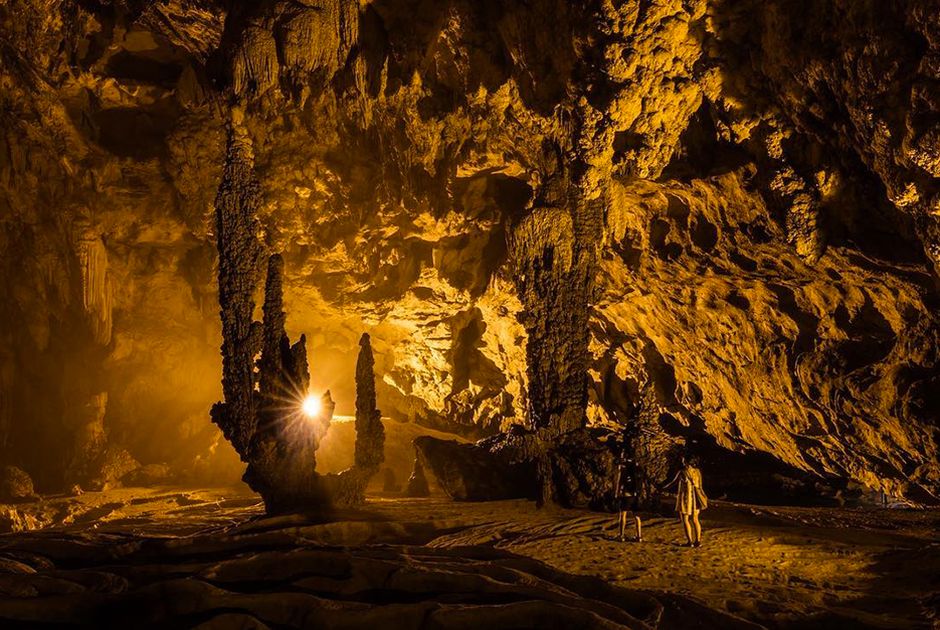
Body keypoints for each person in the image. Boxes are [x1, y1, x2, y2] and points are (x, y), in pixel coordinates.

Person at [665, 454, 706, 547]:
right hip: (696, 498)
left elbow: (672, 482)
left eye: (683, 459)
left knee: (685, 519)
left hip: (686, 499)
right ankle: (698, 541)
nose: (682, 461)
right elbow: (700, 486)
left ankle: (690, 542)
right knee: (695, 519)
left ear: (686, 461)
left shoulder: (683, 472)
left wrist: (661, 487)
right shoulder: (698, 472)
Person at [613, 447, 642, 542]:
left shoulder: (623, 466)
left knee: (623, 515)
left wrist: (617, 492)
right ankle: (639, 536)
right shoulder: (636, 465)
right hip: (635, 494)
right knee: (637, 516)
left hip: (626, 494)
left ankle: (621, 535)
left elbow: (620, 480)